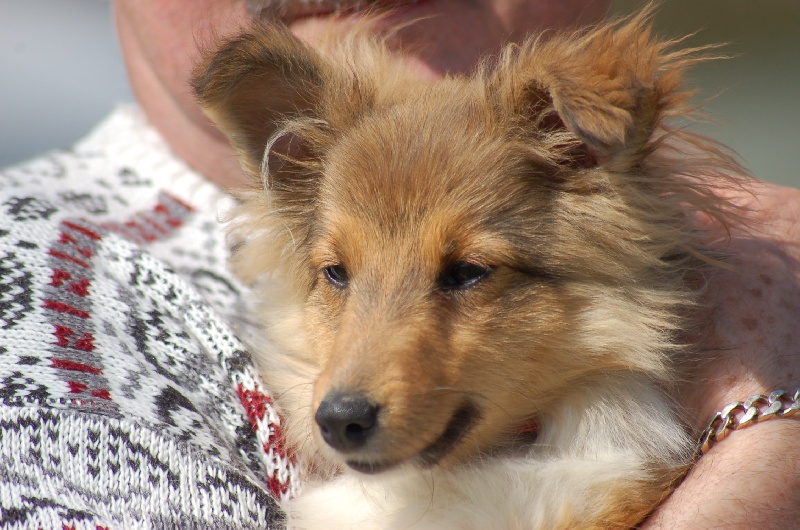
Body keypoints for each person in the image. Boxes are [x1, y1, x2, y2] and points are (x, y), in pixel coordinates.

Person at [0, 0, 797, 528]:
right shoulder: (37, 293)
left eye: (465, 274)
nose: (349, 391)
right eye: (337, 277)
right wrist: (773, 436)